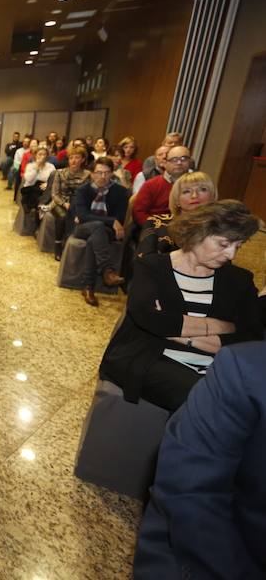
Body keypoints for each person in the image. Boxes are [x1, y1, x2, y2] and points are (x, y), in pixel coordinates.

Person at [100, 201, 262, 412]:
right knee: (208, 401)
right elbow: (149, 319)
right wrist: (223, 326)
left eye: (237, 246)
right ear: (198, 233)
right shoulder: (151, 267)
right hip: (151, 358)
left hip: (216, 366)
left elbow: (250, 335)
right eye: (224, 244)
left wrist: (181, 333)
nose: (231, 255)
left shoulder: (239, 280)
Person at [132, 342, 266, 578]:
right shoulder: (244, 368)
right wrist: (210, 329)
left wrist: (193, 330)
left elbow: (242, 329)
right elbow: (151, 320)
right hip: (202, 555)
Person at [70, 157, 129, 306]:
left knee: (95, 237)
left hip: (106, 232)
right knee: (97, 226)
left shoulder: (121, 192)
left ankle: (88, 287)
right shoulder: (82, 190)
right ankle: (107, 271)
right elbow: (83, 216)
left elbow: (120, 217)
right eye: (99, 173)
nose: (102, 177)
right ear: (92, 174)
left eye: (107, 173)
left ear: (112, 174)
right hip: (83, 228)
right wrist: (110, 221)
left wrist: (111, 222)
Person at [136, 172, 217, 258]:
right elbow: (143, 260)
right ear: (177, 200)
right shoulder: (156, 223)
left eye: (203, 189)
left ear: (212, 196)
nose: (194, 195)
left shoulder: (220, 227)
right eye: (186, 191)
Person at [46, 145, 91, 260]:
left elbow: (88, 194)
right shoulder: (60, 173)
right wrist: (64, 203)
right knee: (63, 217)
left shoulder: (88, 175)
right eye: (71, 158)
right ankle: (58, 245)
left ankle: (70, 245)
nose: (74, 160)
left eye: (77, 157)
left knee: (80, 217)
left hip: (78, 204)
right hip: (60, 203)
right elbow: (55, 194)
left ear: (83, 159)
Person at [133, 146, 193, 225]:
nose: (179, 163)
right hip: (156, 229)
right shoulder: (151, 185)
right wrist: (157, 228)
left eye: (184, 158)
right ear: (165, 163)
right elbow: (139, 213)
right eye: (174, 159)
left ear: (190, 161)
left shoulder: (198, 185)